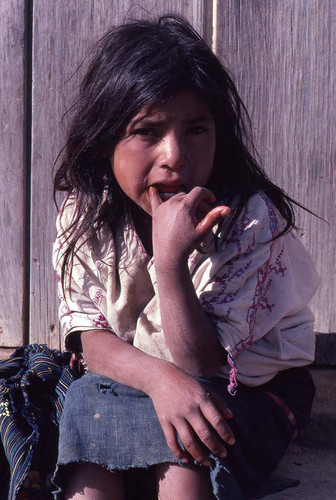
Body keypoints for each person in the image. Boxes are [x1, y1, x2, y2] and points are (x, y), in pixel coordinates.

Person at [52, 15, 319, 500]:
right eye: (147, 132)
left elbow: (202, 364)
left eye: (196, 129)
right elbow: (89, 340)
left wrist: (171, 263)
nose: (175, 154)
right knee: (88, 401)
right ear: (103, 138)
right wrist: (159, 382)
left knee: (188, 441)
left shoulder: (248, 222)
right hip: (136, 374)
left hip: (247, 392)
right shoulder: (86, 213)